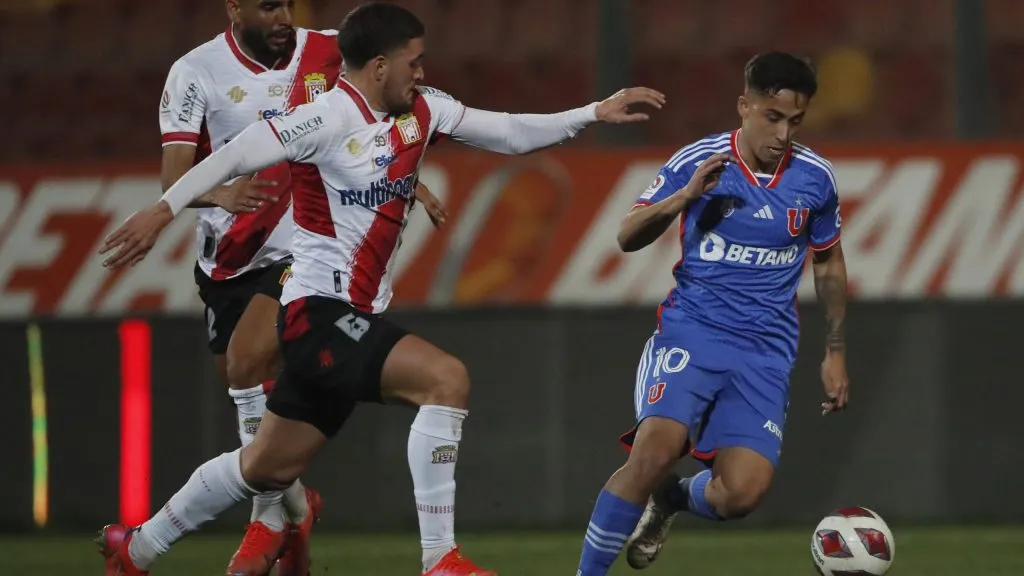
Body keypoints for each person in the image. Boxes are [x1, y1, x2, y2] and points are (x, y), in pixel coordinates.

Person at [96, 2, 665, 575]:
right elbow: (240, 153)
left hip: (348, 316)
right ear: (377, 66)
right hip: (316, 311)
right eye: (412, 62)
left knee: (263, 466)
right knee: (446, 379)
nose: (422, 72)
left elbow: (510, 131)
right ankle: (439, 558)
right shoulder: (324, 118)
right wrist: (162, 210)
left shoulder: (424, 111)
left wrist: (593, 111)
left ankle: (137, 548)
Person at [154, 1, 445, 573]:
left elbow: (376, 119)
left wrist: (408, 180)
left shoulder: (331, 49)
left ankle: (263, 524)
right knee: (255, 414)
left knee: (245, 362)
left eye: (288, 2)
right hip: (228, 260)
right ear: (234, 8)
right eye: (267, 5)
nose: (283, 15)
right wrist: (220, 196)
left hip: (303, 244)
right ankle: (292, 510)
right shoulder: (196, 72)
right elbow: (175, 174)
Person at [573, 51, 850, 576]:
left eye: (795, 121)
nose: (783, 133)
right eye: (773, 117)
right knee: (655, 451)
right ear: (744, 106)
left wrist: (835, 351)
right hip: (693, 333)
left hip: (765, 353)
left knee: (741, 494)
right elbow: (627, 235)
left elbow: (829, 260)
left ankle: (672, 500)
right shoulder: (699, 161)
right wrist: (683, 197)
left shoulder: (816, 179)